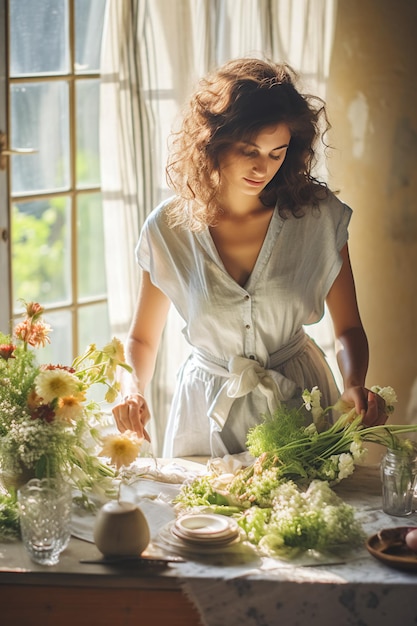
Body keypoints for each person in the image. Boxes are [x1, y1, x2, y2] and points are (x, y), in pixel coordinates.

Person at [112, 57, 387, 458]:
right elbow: (141, 337)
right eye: (249, 150)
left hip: (301, 402)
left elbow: (348, 328)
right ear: (212, 141)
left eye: (277, 153)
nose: (264, 167)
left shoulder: (318, 218)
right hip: (205, 410)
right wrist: (131, 389)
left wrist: (354, 383)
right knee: (204, 517)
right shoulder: (168, 229)